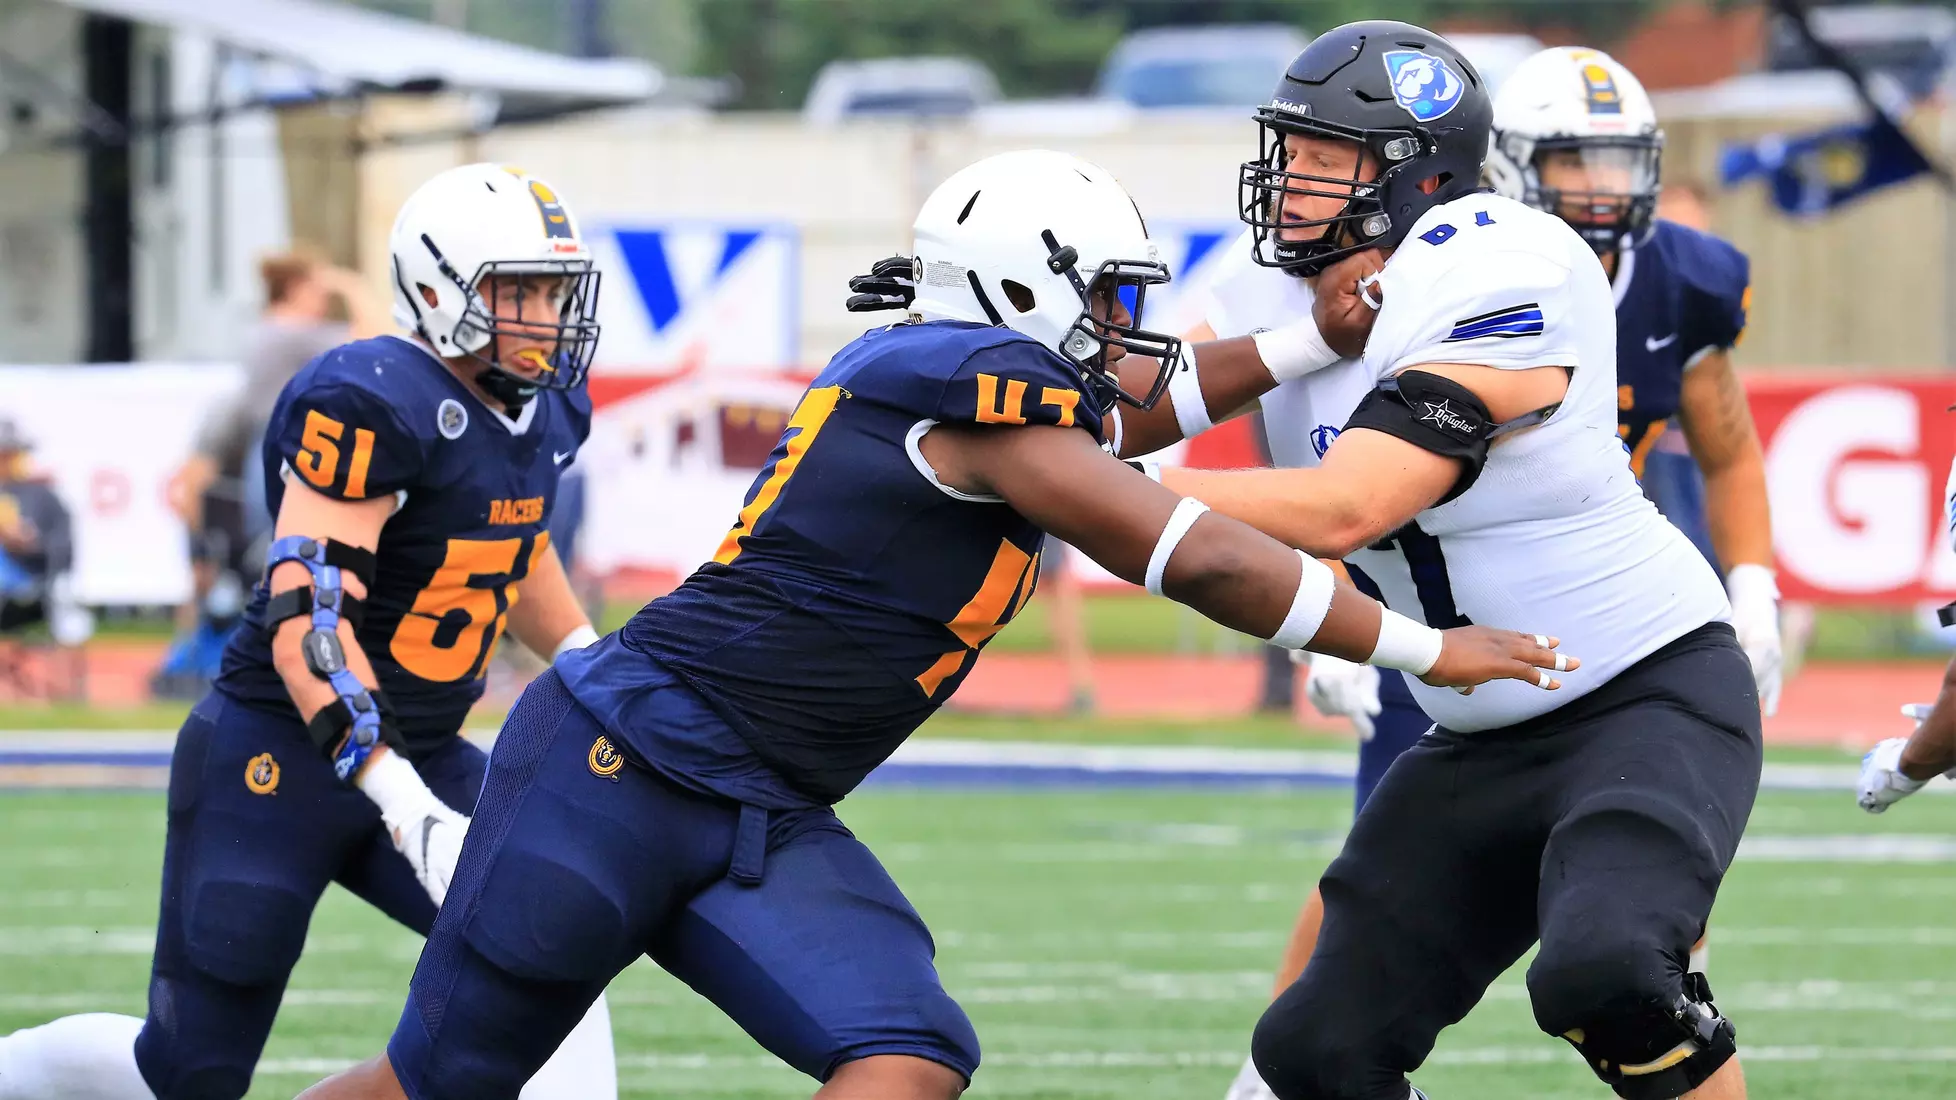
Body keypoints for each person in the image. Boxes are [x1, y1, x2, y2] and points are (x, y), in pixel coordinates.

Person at [293, 148, 1572, 1100]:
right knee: (439, 1083)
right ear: (1025, 286)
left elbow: (1131, 412)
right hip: (612, 773)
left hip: (761, 802)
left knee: (905, 1051)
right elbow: (1187, 551)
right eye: (1108, 298)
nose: (1126, 328)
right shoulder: (964, 391)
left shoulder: (981, 391)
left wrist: (1304, 341)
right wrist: (1419, 649)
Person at [1102, 23, 1760, 1099]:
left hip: (1643, 690)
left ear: (1418, 178)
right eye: (1291, 154)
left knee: (1608, 970)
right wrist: (1295, 344)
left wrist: (1081, 493)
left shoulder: (1507, 263)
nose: (1291, 185)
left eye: (1325, 161)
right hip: (1474, 731)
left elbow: (1346, 502)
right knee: (1314, 1054)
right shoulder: (1291, 287)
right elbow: (1121, 412)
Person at [0, 164, 617, 1100]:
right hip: (280, 754)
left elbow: (513, 540)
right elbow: (307, 622)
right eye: (515, 289)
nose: (541, 315)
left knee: (556, 943)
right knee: (187, 1074)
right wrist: (399, 800)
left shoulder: (543, 406)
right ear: (439, 286)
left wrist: (587, 664)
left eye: (552, 290)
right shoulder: (369, 397)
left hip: (426, 742)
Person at [155, 251, 390, 698]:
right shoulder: (287, 334)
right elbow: (378, 339)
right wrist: (352, 284)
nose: (324, 300)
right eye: (318, 291)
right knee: (295, 565)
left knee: (282, 568)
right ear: (297, 290)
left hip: (273, 453)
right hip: (290, 452)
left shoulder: (269, 336)